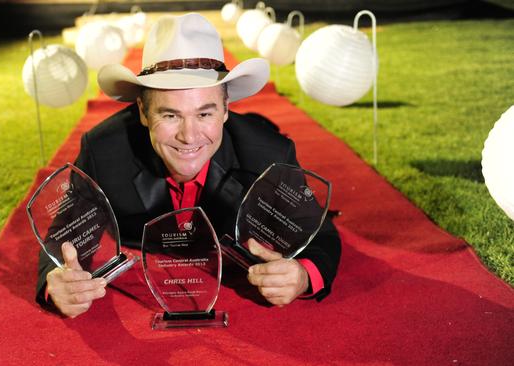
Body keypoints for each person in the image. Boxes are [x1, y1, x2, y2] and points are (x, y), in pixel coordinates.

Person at [36, 13, 341, 318]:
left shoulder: (268, 154)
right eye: (170, 115)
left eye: (204, 114)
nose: (189, 136)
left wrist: (301, 275)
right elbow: (64, 236)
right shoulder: (104, 152)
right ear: (142, 112)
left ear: (225, 109)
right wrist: (59, 280)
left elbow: (320, 235)